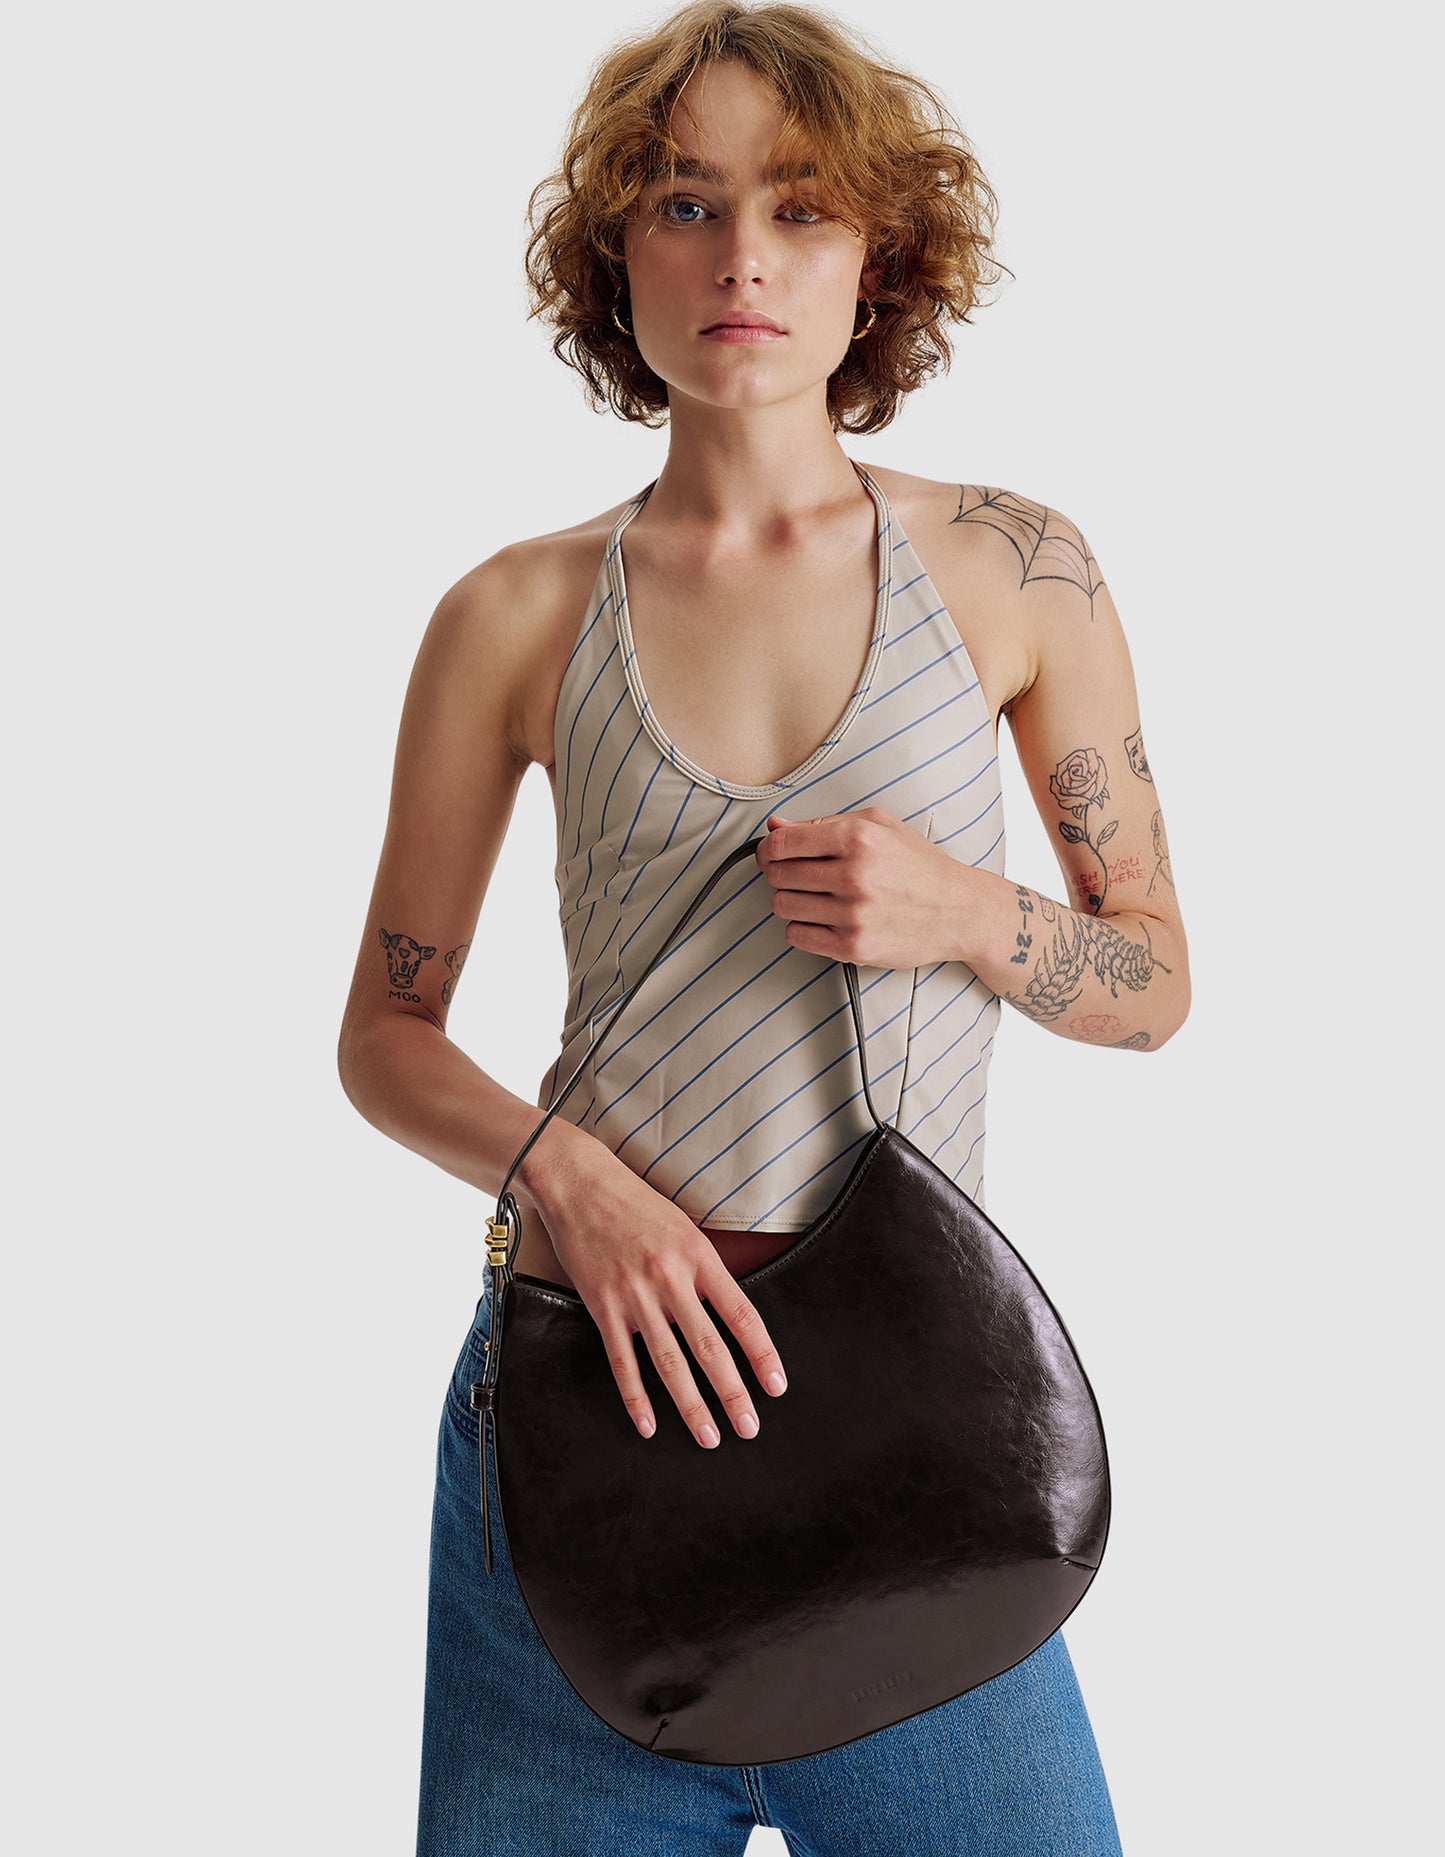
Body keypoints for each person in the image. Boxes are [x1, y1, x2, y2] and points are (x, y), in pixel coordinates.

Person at [337, 3, 1190, 1851]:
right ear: (614, 261)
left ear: (876, 261)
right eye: (685, 203)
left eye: (800, 208)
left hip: (905, 1445)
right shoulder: (511, 613)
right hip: (581, 1424)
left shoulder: (1011, 567)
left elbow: (1151, 982)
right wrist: (570, 1180)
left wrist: (964, 911)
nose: (742, 257)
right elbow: (383, 1035)